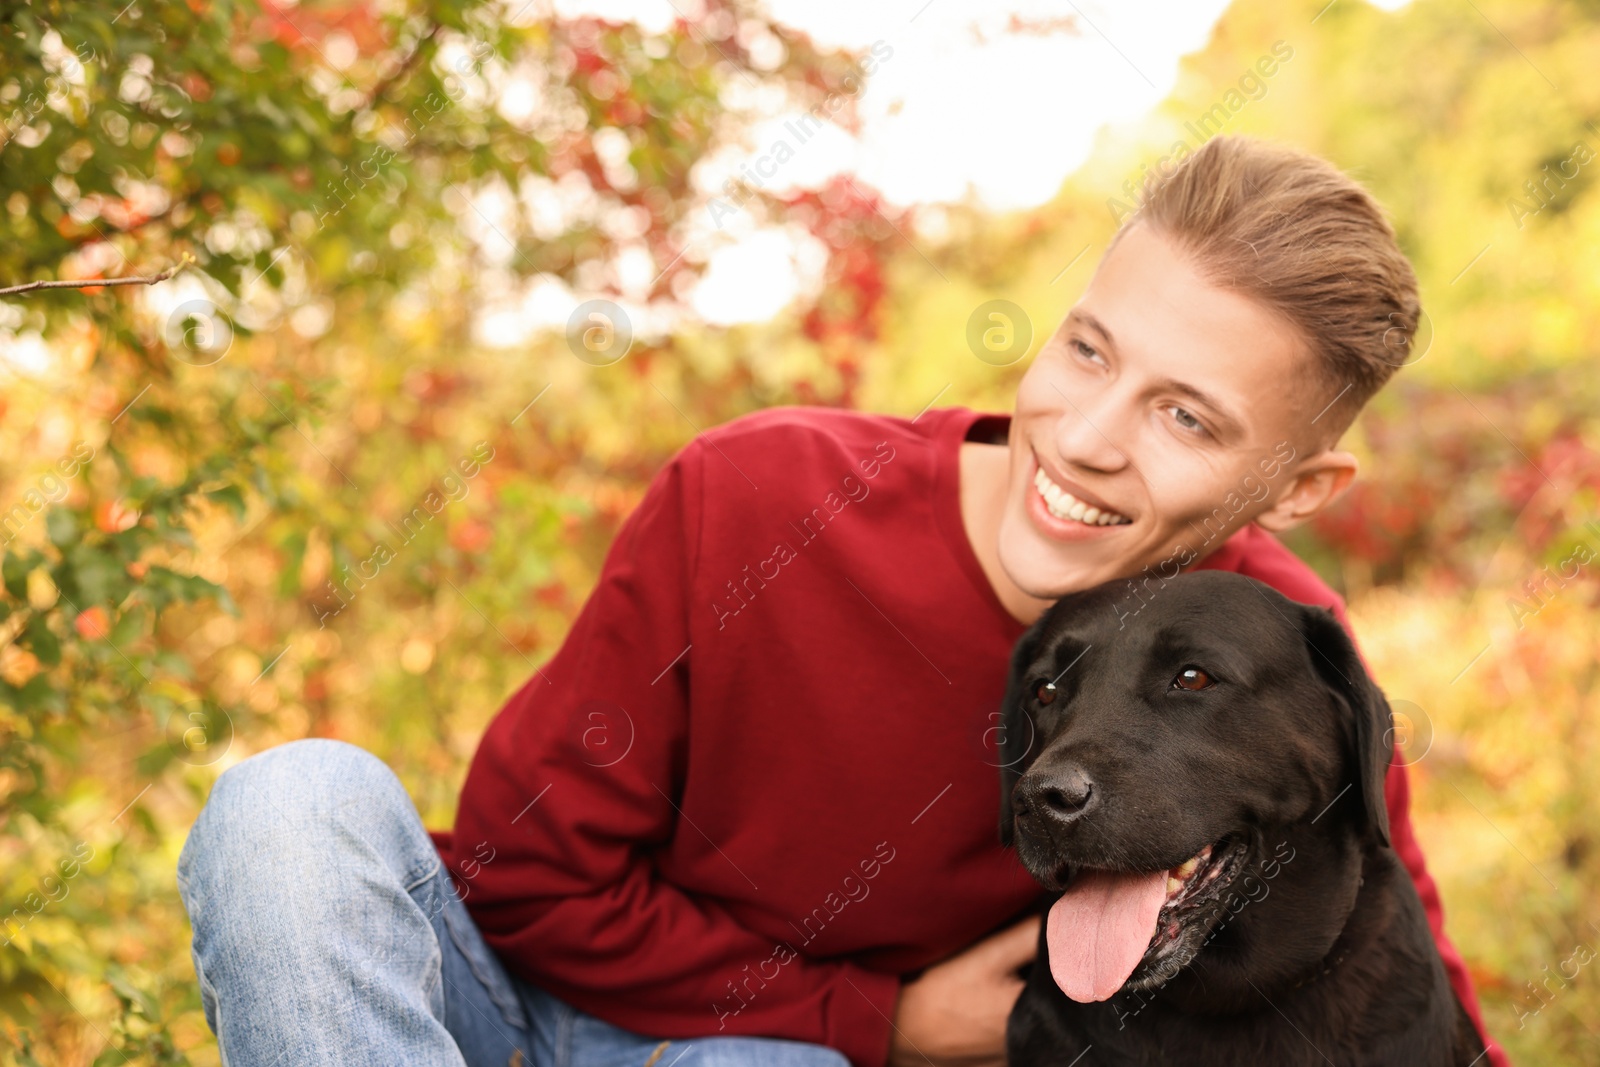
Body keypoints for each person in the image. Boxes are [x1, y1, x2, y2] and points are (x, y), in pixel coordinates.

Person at [177, 135, 1507, 1067]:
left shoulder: (1271, 659)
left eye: (1187, 418)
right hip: (517, 1009)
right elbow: (525, 882)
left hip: (769, 1060)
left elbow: (1392, 954)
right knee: (290, 810)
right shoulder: (759, 495)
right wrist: (887, 1020)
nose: (1090, 437)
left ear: (1299, 485)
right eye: (1087, 348)